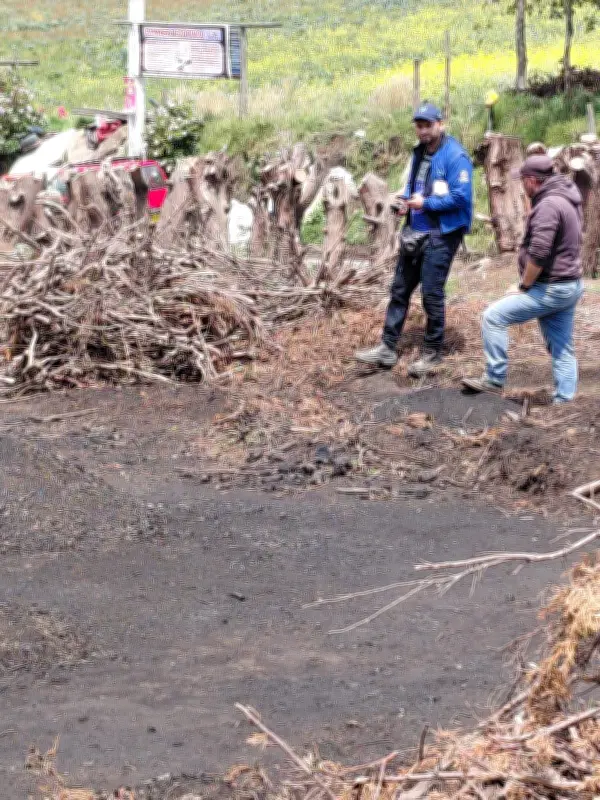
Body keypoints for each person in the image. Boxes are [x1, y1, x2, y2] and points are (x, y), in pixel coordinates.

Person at [355, 102, 473, 377]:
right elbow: (414, 187)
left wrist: (427, 203)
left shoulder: (456, 156)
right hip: (414, 232)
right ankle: (387, 347)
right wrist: (405, 202)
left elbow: (461, 196)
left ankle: (432, 352)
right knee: (399, 290)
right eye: (419, 126)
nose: (423, 131)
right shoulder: (419, 154)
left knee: (431, 294)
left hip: (441, 234)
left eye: (427, 125)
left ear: (440, 124)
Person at [462, 155, 584, 403]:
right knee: (561, 346)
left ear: (531, 181)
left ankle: (494, 379)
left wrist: (523, 286)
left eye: (523, 181)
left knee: (493, 316)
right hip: (569, 284)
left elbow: (539, 253)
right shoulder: (567, 197)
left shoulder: (549, 205)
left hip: (552, 287)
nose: (521, 187)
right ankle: (565, 400)